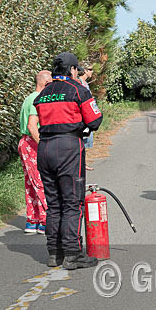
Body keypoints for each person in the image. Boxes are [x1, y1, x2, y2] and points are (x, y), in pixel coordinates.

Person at [35, 52, 103, 270]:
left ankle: (54, 253)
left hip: (44, 148)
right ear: (73, 70)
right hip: (68, 147)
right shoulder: (77, 90)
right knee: (72, 202)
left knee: (54, 203)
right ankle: (73, 254)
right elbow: (95, 120)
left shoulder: (44, 93)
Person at [18, 70, 52, 234]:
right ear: (46, 83)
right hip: (33, 142)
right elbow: (32, 126)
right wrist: (44, 145)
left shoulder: (29, 97)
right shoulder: (37, 99)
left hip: (26, 142)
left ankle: (33, 220)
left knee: (31, 183)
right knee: (42, 181)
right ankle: (45, 220)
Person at [78, 62, 95, 169]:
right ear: (84, 70)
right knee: (82, 140)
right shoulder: (79, 83)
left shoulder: (85, 83)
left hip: (87, 116)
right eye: (90, 69)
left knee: (86, 140)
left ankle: (83, 163)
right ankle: (81, 164)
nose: (92, 71)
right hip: (82, 117)